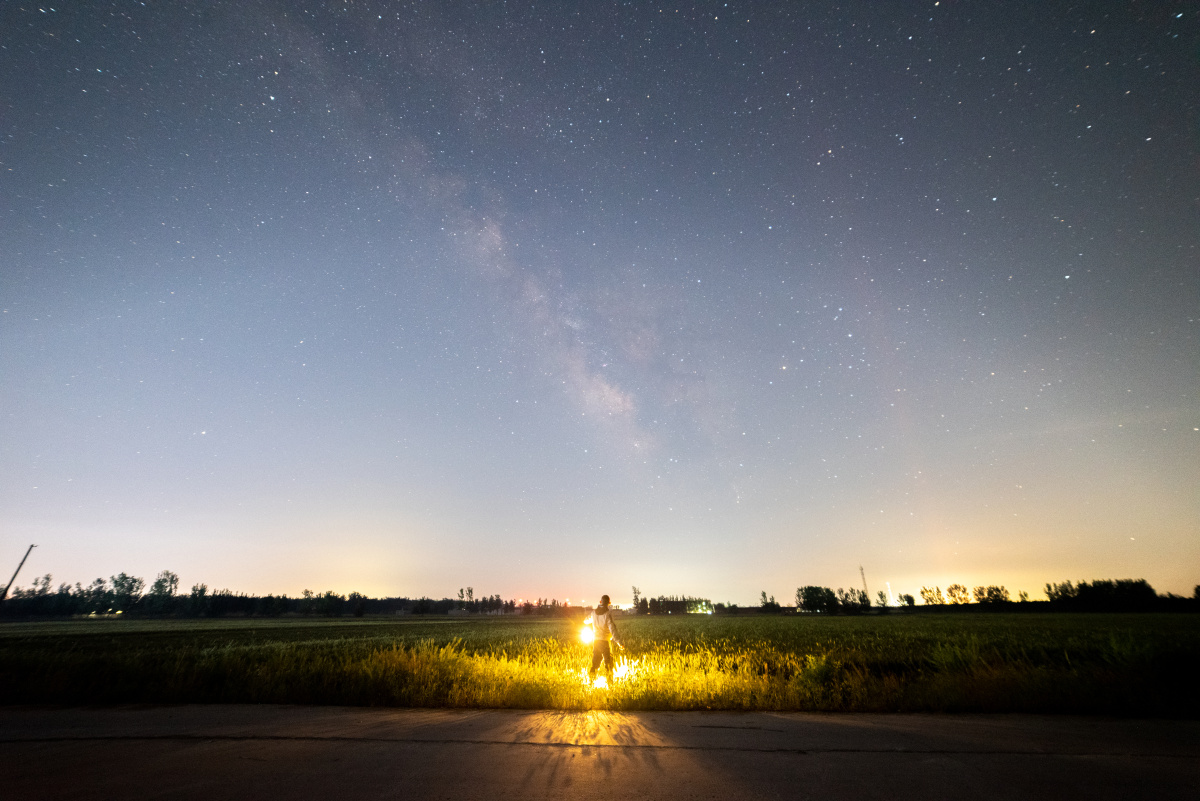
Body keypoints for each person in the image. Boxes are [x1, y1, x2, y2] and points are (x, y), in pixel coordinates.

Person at [588, 594, 622, 680]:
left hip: (596, 641)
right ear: (609, 603)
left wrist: (591, 621)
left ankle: (591, 682)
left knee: (595, 663)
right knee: (608, 663)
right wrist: (619, 642)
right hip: (605, 642)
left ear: (600, 602)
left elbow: (585, 620)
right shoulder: (607, 614)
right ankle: (610, 683)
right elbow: (612, 629)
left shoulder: (593, 613)